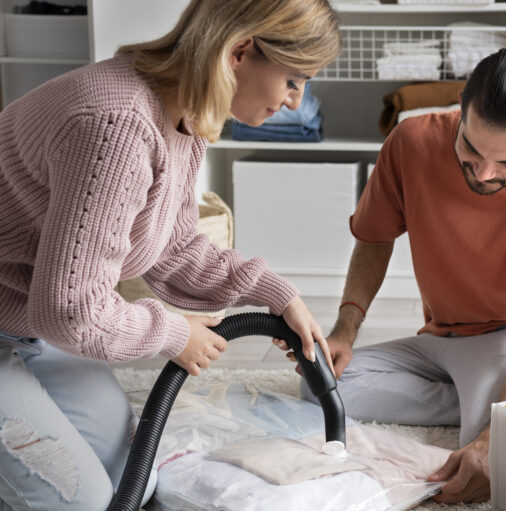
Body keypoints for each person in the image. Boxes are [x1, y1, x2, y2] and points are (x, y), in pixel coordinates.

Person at [0, 0, 340, 509]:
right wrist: (173, 333)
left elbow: (172, 248)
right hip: (39, 316)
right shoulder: (116, 125)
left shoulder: (183, 116)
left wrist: (277, 293)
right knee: (82, 501)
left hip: (30, 323)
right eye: (294, 80)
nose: (296, 102)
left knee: (133, 479)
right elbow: (72, 311)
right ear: (241, 52)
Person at [281, 46, 506, 504]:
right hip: (443, 338)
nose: (484, 172)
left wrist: (490, 439)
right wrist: (344, 331)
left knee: (483, 451)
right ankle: (488, 397)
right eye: (471, 147)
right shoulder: (410, 142)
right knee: (317, 386)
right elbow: (374, 239)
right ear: (462, 105)